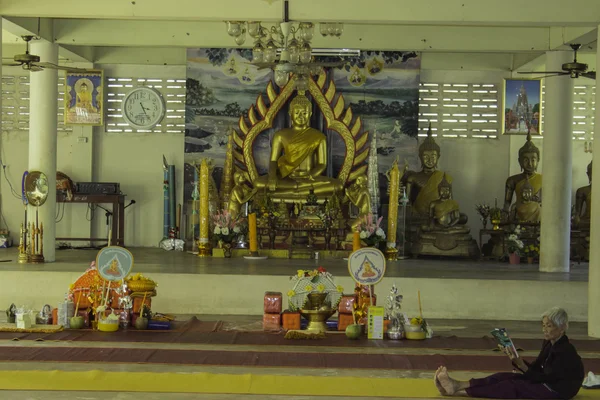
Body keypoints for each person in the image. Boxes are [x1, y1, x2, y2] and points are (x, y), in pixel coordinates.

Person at [434, 307, 584, 399]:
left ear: (562, 327)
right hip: (547, 381)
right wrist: (517, 360)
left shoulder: (565, 351)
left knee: (512, 386)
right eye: (543, 325)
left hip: (557, 390)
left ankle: (459, 392)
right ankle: (458, 384)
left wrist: (523, 367)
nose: (544, 329)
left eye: (549, 326)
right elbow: (537, 368)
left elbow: (544, 378)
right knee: (503, 376)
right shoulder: (549, 343)